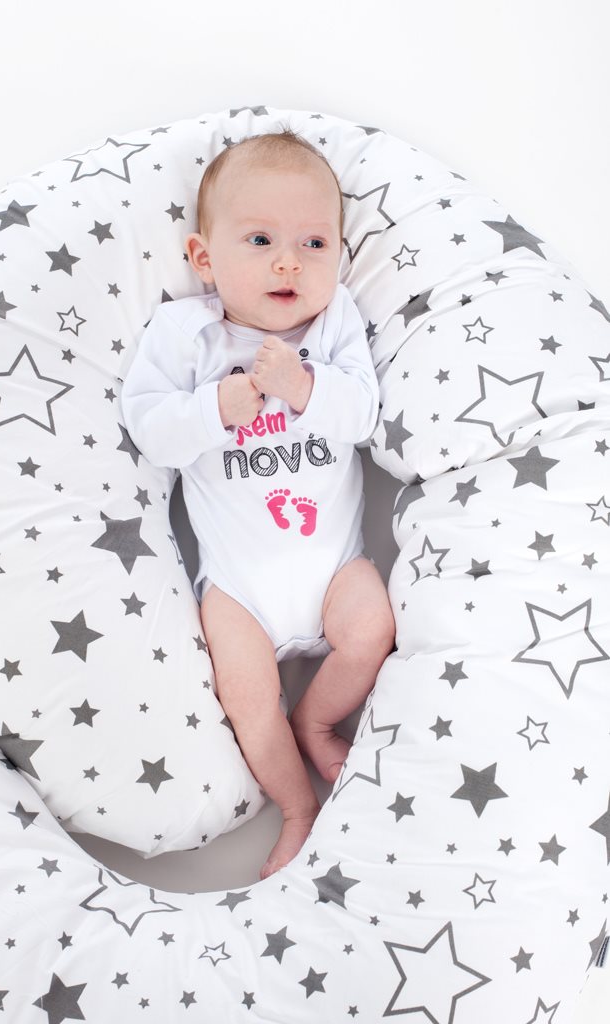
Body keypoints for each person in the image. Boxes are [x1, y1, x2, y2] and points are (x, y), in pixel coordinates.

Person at [121, 129, 396, 879]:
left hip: (334, 567)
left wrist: (303, 387)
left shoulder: (333, 322)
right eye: (262, 240)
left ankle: (317, 720)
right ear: (204, 258)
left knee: (372, 629)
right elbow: (150, 430)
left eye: (314, 243)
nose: (289, 262)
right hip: (239, 589)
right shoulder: (187, 334)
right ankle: (296, 807)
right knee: (244, 695)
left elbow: (361, 415)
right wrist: (217, 407)